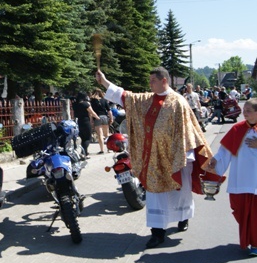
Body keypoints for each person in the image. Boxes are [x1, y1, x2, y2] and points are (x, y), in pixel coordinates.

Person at [96, 67, 221, 249]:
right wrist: (104, 82)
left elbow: (187, 130)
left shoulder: (178, 102)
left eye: (153, 80)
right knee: (155, 194)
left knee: (179, 191)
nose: (150, 84)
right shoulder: (148, 99)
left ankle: (182, 218)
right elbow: (126, 97)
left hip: (175, 155)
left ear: (164, 81)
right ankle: (157, 232)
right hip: (153, 156)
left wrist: (183, 155)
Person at [207, 98, 257, 257]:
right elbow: (225, 151)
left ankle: (256, 244)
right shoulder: (237, 129)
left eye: (248, 111)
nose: (244, 113)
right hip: (240, 178)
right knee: (239, 209)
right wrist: (215, 160)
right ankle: (248, 236)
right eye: (244, 110)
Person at [73, 92, 99, 158]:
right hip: (86, 121)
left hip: (79, 121)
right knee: (88, 138)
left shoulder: (75, 104)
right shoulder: (85, 104)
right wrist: (97, 118)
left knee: (83, 138)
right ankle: (83, 153)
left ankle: (85, 153)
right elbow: (92, 112)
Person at [90, 88, 113, 153]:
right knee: (106, 134)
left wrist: (91, 120)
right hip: (104, 117)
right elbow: (109, 111)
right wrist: (111, 118)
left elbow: (91, 112)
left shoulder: (92, 101)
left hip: (97, 118)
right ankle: (109, 149)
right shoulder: (104, 100)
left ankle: (102, 150)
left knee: (100, 135)